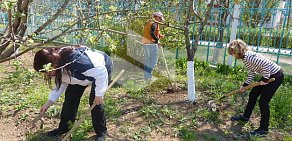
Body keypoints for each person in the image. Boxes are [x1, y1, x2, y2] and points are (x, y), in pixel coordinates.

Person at [33, 45, 113, 141]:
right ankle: (64, 128)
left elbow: (101, 72)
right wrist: (50, 101)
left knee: (95, 102)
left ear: (51, 65)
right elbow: (62, 83)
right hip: (79, 74)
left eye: (45, 71)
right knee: (70, 98)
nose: (46, 74)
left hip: (100, 70)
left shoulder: (78, 62)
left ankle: (101, 132)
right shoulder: (58, 63)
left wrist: (99, 94)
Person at [227, 39, 284, 136]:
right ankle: (245, 116)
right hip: (268, 75)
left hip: (275, 76)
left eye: (232, 53)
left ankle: (264, 129)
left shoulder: (249, 57)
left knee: (263, 102)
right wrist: (245, 85)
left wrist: (265, 80)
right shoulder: (245, 58)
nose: (232, 56)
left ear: (237, 52)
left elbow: (266, 64)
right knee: (253, 94)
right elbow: (252, 72)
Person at [141, 11, 165, 80]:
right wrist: (157, 41)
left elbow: (152, 33)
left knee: (148, 60)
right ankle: (148, 76)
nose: (160, 19)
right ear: (156, 17)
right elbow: (152, 33)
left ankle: (147, 76)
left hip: (146, 43)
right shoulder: (154, 23)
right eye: (160, 18)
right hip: (151, 44)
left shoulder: (150, 23)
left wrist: (160, 36)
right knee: (153, 61)